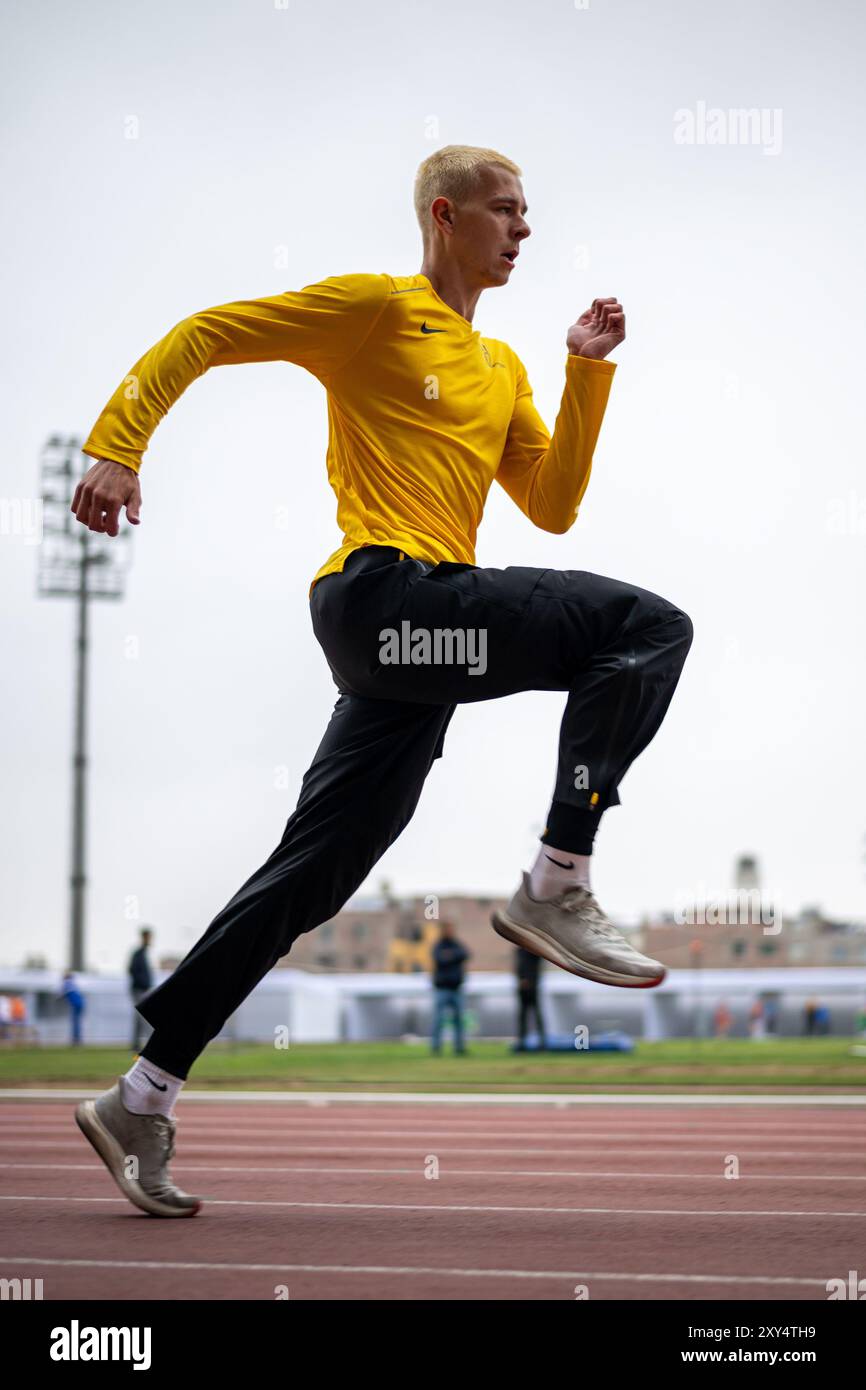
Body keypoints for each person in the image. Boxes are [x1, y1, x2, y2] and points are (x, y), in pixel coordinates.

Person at [70, 144, 693, 1217]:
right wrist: (119, 445)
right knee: (642, 629)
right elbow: (208, 332)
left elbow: (549, 504)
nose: (524, 228)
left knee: (311, 876)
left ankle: (140, 1094)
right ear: (444, 216)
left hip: (418, 660)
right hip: (385, 602)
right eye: (504, 210)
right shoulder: (371, 310)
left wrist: (583, 371)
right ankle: (555, 882)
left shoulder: (496, 368)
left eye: (529, 212)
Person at [430, 922, 470, 1055]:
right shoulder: (438, 946)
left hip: (456, 988)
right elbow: (439, 959)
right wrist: (453, 956)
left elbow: (465, 954)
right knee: (438, 1019)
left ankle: (459, 1048)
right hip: (442, 988)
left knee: (459, 1020)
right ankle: (436, 1047)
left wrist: (450, 955)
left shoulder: (456, 944)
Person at [128, 927, 154, 1053]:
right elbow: (132, 970)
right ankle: (151, 1045)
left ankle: (135, 1044)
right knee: (143, 1017)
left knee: (139, 1019)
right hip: (139, 989)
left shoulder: (143, 953)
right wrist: (144, 983)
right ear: (144, 937)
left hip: (143, 989)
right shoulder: (138, 954)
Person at [515, 946, 547, 1049]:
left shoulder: (531, 950)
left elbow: (527, 966)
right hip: (524, 985)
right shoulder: (522, 950)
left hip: (531, 985)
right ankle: (523, 1042)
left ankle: (541, 1042)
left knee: (533, 1014)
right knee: (524, 1015)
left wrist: (527, 979)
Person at [59, 973, 85, 1047]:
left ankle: (76, 1040)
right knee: (77, 1022)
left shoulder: (67, 982)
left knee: (75, 1022)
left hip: (76, 1004)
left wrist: (58, 998)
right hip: (81, 1004)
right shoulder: (74, 983)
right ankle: (77, 1039)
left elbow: (62, 993)